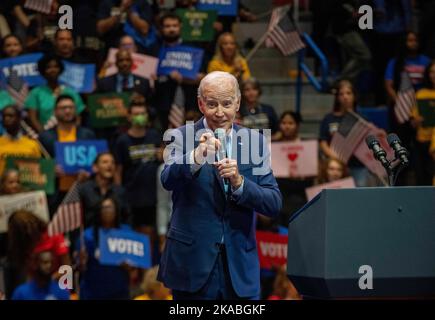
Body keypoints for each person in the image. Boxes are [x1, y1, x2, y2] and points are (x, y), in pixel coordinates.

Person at [158, 71, 282, 300]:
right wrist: (196, 155)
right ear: (201, 103)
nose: (219, 112)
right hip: (192, 265)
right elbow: (167, 180)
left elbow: (273, 203)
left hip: (239, 268)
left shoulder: (255, 142)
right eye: (212, 104)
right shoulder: (180, 136)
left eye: (226, 103)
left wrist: (240, 183)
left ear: (238, 103)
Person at [38, 94, 96, 210]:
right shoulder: (45, 137)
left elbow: (97, 162)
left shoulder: (88, 135)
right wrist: (50, 170)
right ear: (55, 112)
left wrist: (90, 172)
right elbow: (37, 166)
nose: (67, 111)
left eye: (71, 107)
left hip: (83, 191)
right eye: (63, 108)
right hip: (56, 194)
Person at [150, 12, 206, 130]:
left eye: (174, 26)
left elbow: (203, 77)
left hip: (190, 103)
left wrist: (185, 78)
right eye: (168, 26)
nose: (171, 29)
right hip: (162, 104)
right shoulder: (154, 49)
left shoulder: (193, 48)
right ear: (161, 28)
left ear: (180, 26)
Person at [114, 100, 161, 235]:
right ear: (129, 117)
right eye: (136, 114)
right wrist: (119, 194)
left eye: (142, 113)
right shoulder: (122, 140)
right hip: (131, 196)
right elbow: (118, 169)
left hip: (152, 195)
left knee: (150, 234)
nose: (140, 116)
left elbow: (163, 157)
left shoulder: (154, 135)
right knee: (133, 234)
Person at [76, 196, 131, 300]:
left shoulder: (126, 233)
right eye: (104, 208)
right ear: (99, 211)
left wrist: (129, 265)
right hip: (93, 292)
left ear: (116, 210)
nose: (107, 211)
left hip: (119, 291)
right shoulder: (87, 236)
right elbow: (80, 268)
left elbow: (134, 266)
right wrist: (81, 262)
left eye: (110, 207)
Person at [319, 80, 372, 187]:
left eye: (348, 93)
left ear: (354, 96)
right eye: (341, 94)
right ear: (337, 97)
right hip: (336, 167)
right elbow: (323, 142)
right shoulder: (329, 118)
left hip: (358, 166)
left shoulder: (362, 120)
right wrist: (334, 156)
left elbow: (368, 144)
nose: (345, 97)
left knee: (358, 197)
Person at [6, 210, 70, 298]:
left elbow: (67, 268)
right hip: (34, 292)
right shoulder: (23, 244)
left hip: (59, 289)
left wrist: (47, 280)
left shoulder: (53, 234)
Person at [24, 54, 85, 133]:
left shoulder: (70, 92)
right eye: (48, 67)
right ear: (43, 71)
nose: (53, 70)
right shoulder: (35, 93)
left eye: (56, 67)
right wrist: (44, 136)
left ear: (60, 69)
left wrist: (73, 135)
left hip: (69, 135)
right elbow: (33, 118)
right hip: (46, 134)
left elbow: (78, 118)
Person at [78, 152, 130, 227]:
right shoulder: (84, 189)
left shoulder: (120, 191)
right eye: (105, 162)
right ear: (95, 168)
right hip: (90, 235)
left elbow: (127, 218)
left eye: (112, 163)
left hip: (114, 236)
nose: (110, 165)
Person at [330, 0, 371, 84]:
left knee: (356, 57)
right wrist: (368, 12)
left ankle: (345, 82)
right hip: (345, 32)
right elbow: (353, 14)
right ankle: (340, 80)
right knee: (364, 55)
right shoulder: (341, 4)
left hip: (353, 31)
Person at [410, 61, 435, 186]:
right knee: (422, 177)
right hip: (422, 141)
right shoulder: (420, 94)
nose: (433, 75)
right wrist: (416, 121)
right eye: (431, 72)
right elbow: (413, 121)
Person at [0, 105, 41, 175]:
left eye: (10, 116)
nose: (7, 119)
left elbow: (39, 169)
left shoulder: (32, 144)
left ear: (19, 118)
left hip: (26, 184)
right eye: (4, 116)